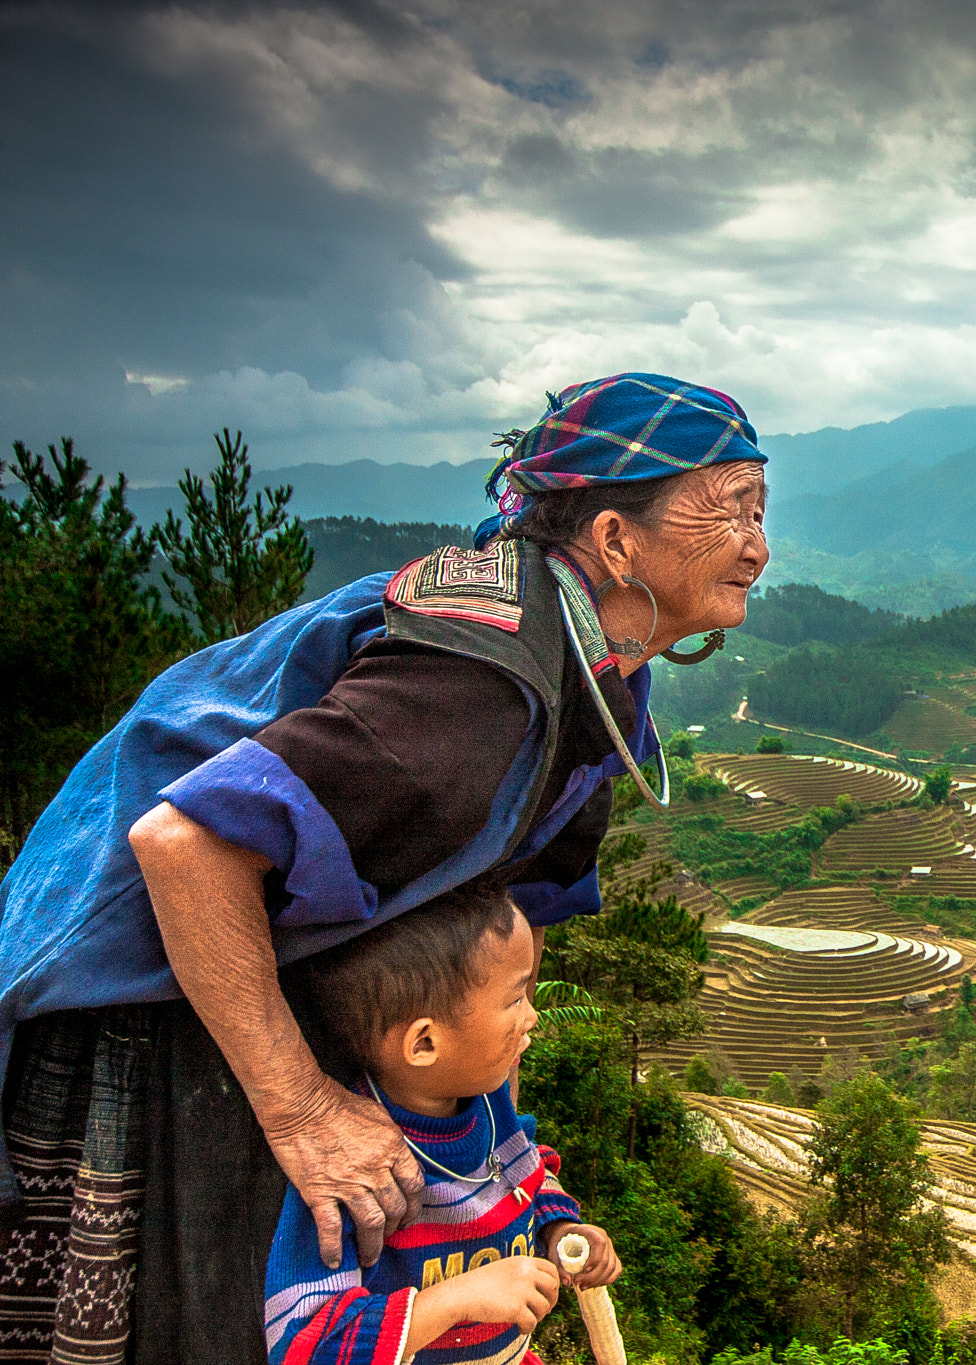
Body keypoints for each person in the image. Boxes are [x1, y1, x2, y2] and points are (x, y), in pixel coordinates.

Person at [0, 374, 767, 1362]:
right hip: (160, 989)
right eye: (729, 511)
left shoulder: (598, 677)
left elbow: (474, 945)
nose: (755, 544)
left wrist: (493, 1176)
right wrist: (304, 1107)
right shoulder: (472, 690)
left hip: (290, 994)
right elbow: (182, 848)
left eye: (760, 511)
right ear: (615, 540)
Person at [265, 879, 618, 1365]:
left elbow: (526, 1175)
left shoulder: (488, 1104)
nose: (532, 1016)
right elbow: (305, 1346)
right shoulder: (349, 1164)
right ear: (425, 1043)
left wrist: (560, 1230)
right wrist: (453, 1300)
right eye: (516, 999)